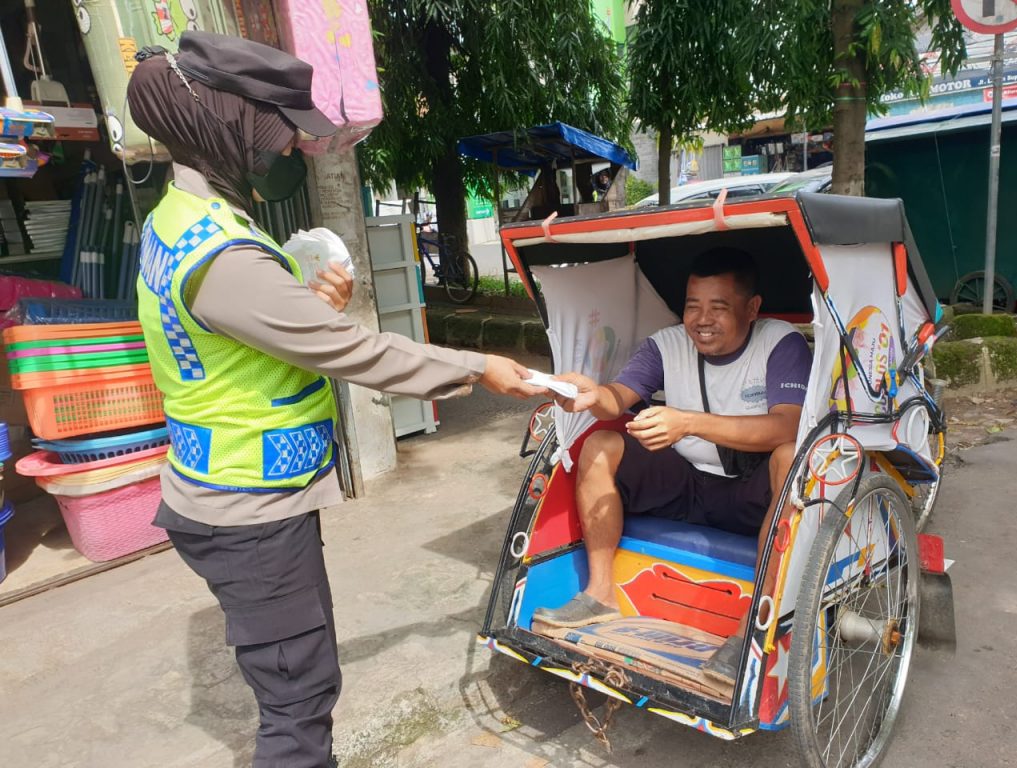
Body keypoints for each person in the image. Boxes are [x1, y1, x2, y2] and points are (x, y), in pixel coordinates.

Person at [126, 31, 544, 767]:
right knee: (297, 705)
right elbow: (356, 351)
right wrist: (479, 365)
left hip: (229, 492)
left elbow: (251, 334)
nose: (290, 155)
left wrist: (311, 301)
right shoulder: (220, 252)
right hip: (248, 511)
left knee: (298, 680)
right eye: (283, 140)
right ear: (235, 129)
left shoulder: (182, 219)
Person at [533, 247, 811, 687]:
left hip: (754, 496)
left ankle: (753, 627)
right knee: (601, 441)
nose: (701, 319)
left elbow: (786, 424)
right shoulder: (666, 345)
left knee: (790, 454)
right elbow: (617, 398)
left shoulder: (781, 343)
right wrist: (591, 394)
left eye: (718, 307)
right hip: (687, 486)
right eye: (692, 306)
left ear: (752, 307)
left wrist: (688, 423)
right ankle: (600, 593)